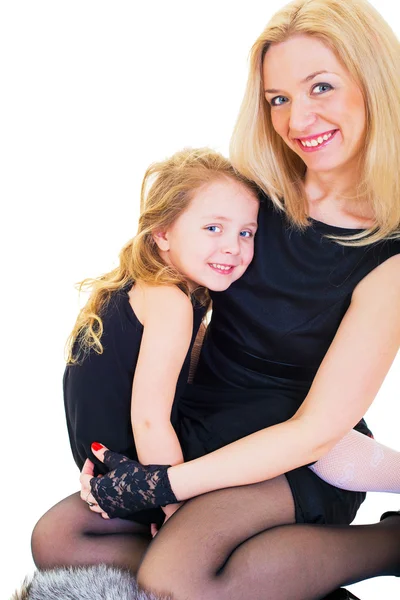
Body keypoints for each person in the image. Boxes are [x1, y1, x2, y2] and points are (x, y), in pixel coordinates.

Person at [30, 0, 400, 598]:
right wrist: (132, 447)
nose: (298, 118)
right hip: (205, 426)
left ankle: (390, 544)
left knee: (174, 577)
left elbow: (315, 432)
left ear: (375, 84)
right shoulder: (251, 196)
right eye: (278, 98)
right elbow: (166, 280)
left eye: (321, 87)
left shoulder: (390, 255)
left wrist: (165, 487)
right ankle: (281, 575)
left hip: (294, 450)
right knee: (61, 540)